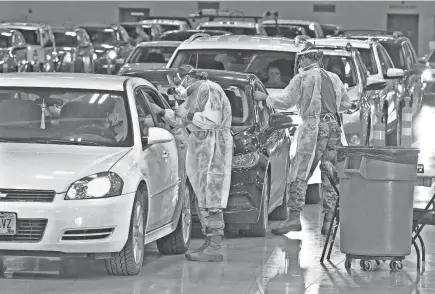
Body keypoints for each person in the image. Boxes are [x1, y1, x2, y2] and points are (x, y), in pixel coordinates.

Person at [254, 47, 352, 235]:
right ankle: (329, 221)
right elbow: (346, 104)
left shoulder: (303, 78)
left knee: (299, 172)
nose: (298, 64)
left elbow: (285, 101)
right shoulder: (334, 78)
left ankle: (293, 219)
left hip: (313, 129)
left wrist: (265, 97)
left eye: (300, 60)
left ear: (307, 59)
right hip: (333, 128)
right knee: (330, 173)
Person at [148, 65, 233, 262]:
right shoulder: (195, 94)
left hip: (214, 148)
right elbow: (180, 120)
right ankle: (210, 241)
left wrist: (182, 114)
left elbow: (210, 121)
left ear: (187, 78)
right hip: (203, 147)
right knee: (203, 197)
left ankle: (215, 245)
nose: (176, 86)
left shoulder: (209, 89)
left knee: (213, 197)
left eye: (176, 82)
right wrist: (162, 112)